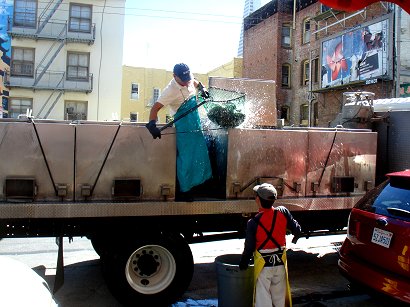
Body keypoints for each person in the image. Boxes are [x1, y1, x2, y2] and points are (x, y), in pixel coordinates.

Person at [145, 63, 212, 196]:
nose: (187, 82)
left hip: (195, 122)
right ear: (174, 76)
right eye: (183, 79)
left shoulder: (188, 78)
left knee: (201, 153)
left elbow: (195, 82)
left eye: (187, 78)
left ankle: (201, 184)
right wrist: (152, 124)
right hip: (183, 124)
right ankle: (186, 190)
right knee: (186, 158)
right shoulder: (170, 91)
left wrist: (203, 88)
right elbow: (155, 108)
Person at [239, 183, 302, 307]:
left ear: (258, 199)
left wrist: (244, 263)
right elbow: (297, 230)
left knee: (263, 302)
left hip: (264, 266)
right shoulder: (283, 212)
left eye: (256, 196)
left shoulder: (253, 223)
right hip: (280, 263)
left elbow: (249, 248)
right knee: (280, 301)